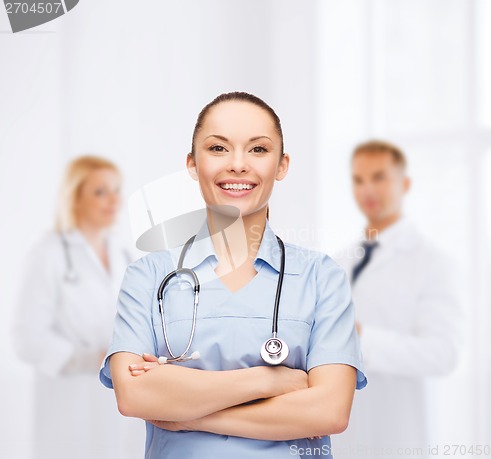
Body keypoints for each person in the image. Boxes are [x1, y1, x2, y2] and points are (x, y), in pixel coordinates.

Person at [99, 92, 367, 458]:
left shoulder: (321, 277)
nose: (238, 165)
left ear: (282, 165)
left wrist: (191, 414)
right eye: (218, 149)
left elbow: (329, 411)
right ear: (193, 165)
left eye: (258, 149)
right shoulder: (149, 276)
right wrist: (270, 379)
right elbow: (134, 395)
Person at [331, 140, 464, 459]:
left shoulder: (434, 262)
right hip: (343, 434)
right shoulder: (339, 262)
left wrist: (361, 339)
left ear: (404, 184)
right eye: (358, 179)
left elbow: (444, 353)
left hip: (399, 436)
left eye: (379, 177)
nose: (368, 190)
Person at [12, 155, 144, 459]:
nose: (114, 200)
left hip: (115, 399)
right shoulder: (48, 250)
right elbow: (26, 339)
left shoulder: (123, 252)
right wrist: (89, 359)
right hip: (67, 399)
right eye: (100, 192)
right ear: (75, 198)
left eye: (116, 190)